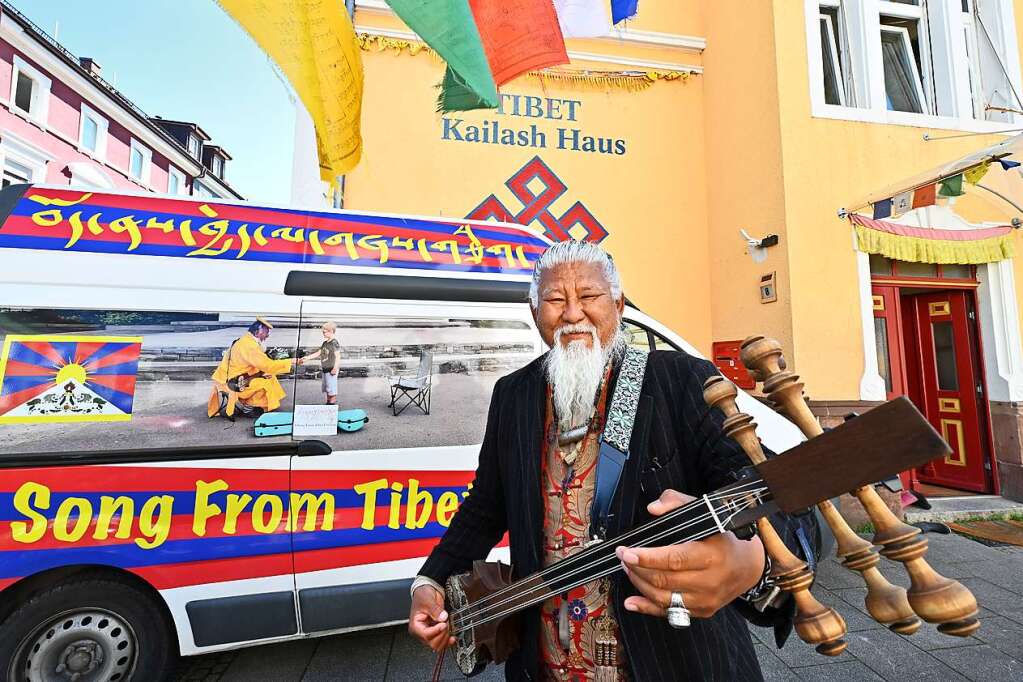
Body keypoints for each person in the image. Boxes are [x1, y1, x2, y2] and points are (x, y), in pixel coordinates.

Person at [408, 241, 819, 681]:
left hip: (676, 662)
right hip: (543, 664)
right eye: (554, 299)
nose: (572, 314)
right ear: (534, 313)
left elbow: (774, 491)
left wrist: (752, 561)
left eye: (588, 297)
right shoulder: (514, 395)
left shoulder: (679, 380)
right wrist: (430, 581)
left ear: (618, 305)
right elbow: (486, 505)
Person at [207, 317, 295, 420]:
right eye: (266, 333)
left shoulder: (245, 340)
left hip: (231, 376)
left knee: (270, 376)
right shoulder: (250, 346)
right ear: (258, 332)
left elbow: (257, 362)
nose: (267, 336)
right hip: (233, 381)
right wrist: (291, 361)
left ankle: (255, 404)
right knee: (265, 383)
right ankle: (247, 408)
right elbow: (268, 365)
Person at [300, 322, 342, 405]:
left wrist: (335, 368)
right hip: (325, 369)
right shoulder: (325, 343)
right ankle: (328, 402)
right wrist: (307, 358)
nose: (323, 333)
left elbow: (338, 356)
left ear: (331, 331)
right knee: (327, 388)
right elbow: (318, 353)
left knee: (331, 389)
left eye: (325, 332)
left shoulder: (334, 343)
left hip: (331, 369)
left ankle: (331, 404)